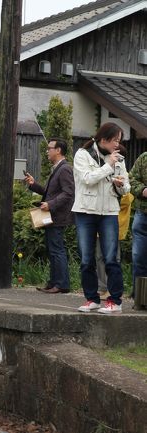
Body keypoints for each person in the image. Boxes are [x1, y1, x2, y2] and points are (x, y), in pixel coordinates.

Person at [72, 122, 130, 314]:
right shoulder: (82, 154)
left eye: (119, 141)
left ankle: (115, 301)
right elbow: (87, 179)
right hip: (85, 211)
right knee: (87, 259)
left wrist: (121, 185)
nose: (117, 145)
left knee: (111, 258)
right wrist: (108, 166)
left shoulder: (118, 159)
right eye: (115, 140)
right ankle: (92, 299)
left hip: (110, 212)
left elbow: (126, 187)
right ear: (104, 139)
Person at [23, 137, 75, 294]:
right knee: (53, 249)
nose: (47, 151)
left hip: (57, 216)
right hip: (51, 216)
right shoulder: (58, 168)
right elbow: (49, 192)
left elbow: (69, 193)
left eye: (49, 148)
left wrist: (50, 204)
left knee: (57, 250)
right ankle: (54, 282)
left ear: (58, 150)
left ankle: (61, 284)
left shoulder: (65, 168)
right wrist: (33, 184)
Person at [96, 144, 133, 294]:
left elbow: (127, 198)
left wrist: (116, 188)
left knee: (112, 257)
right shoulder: (105, 172)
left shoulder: (123, 177)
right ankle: (102, 287)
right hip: (100, 221)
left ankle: (112, 288)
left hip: (115, 225)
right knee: (99, 256)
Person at [129, 150, 147, 299]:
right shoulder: (144, 157)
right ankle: (139, 297)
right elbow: (131, 179)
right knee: (138, 256)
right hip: (143, 214)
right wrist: (143, 190)